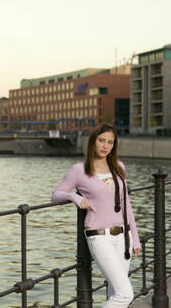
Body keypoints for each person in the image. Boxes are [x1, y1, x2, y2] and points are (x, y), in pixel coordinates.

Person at [51, 123, 141, 308]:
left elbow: (126, 205)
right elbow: (56, 195)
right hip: (99, 237)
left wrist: (136, 238)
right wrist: (73, 196)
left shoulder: (119, 167)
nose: (105, 146)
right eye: (101, 141)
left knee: (116, 292)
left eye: (110, 142)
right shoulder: (79, 170)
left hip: (124, 237)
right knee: (125, 295)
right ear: (93, 142)